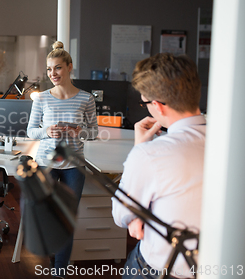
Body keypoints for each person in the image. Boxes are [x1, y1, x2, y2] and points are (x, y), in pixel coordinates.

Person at [112, 53, 205, 278]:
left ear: (158, 106)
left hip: (163, 270)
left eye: (146, 103)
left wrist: (139, 150)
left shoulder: (150, 154)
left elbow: (121, 214)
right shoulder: (232, 141)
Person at [27, 41, 98, 278]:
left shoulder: (86, 98)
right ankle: (53, 259)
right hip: (46, 164)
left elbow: (95, 132)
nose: (52, 74)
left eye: (57, 68)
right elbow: (30, 131)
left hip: (73, 167)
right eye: (49, 69)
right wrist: (47, 131)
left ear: (69, 67)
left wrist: (81, 131)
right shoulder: (42, 98)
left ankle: (60, 272)